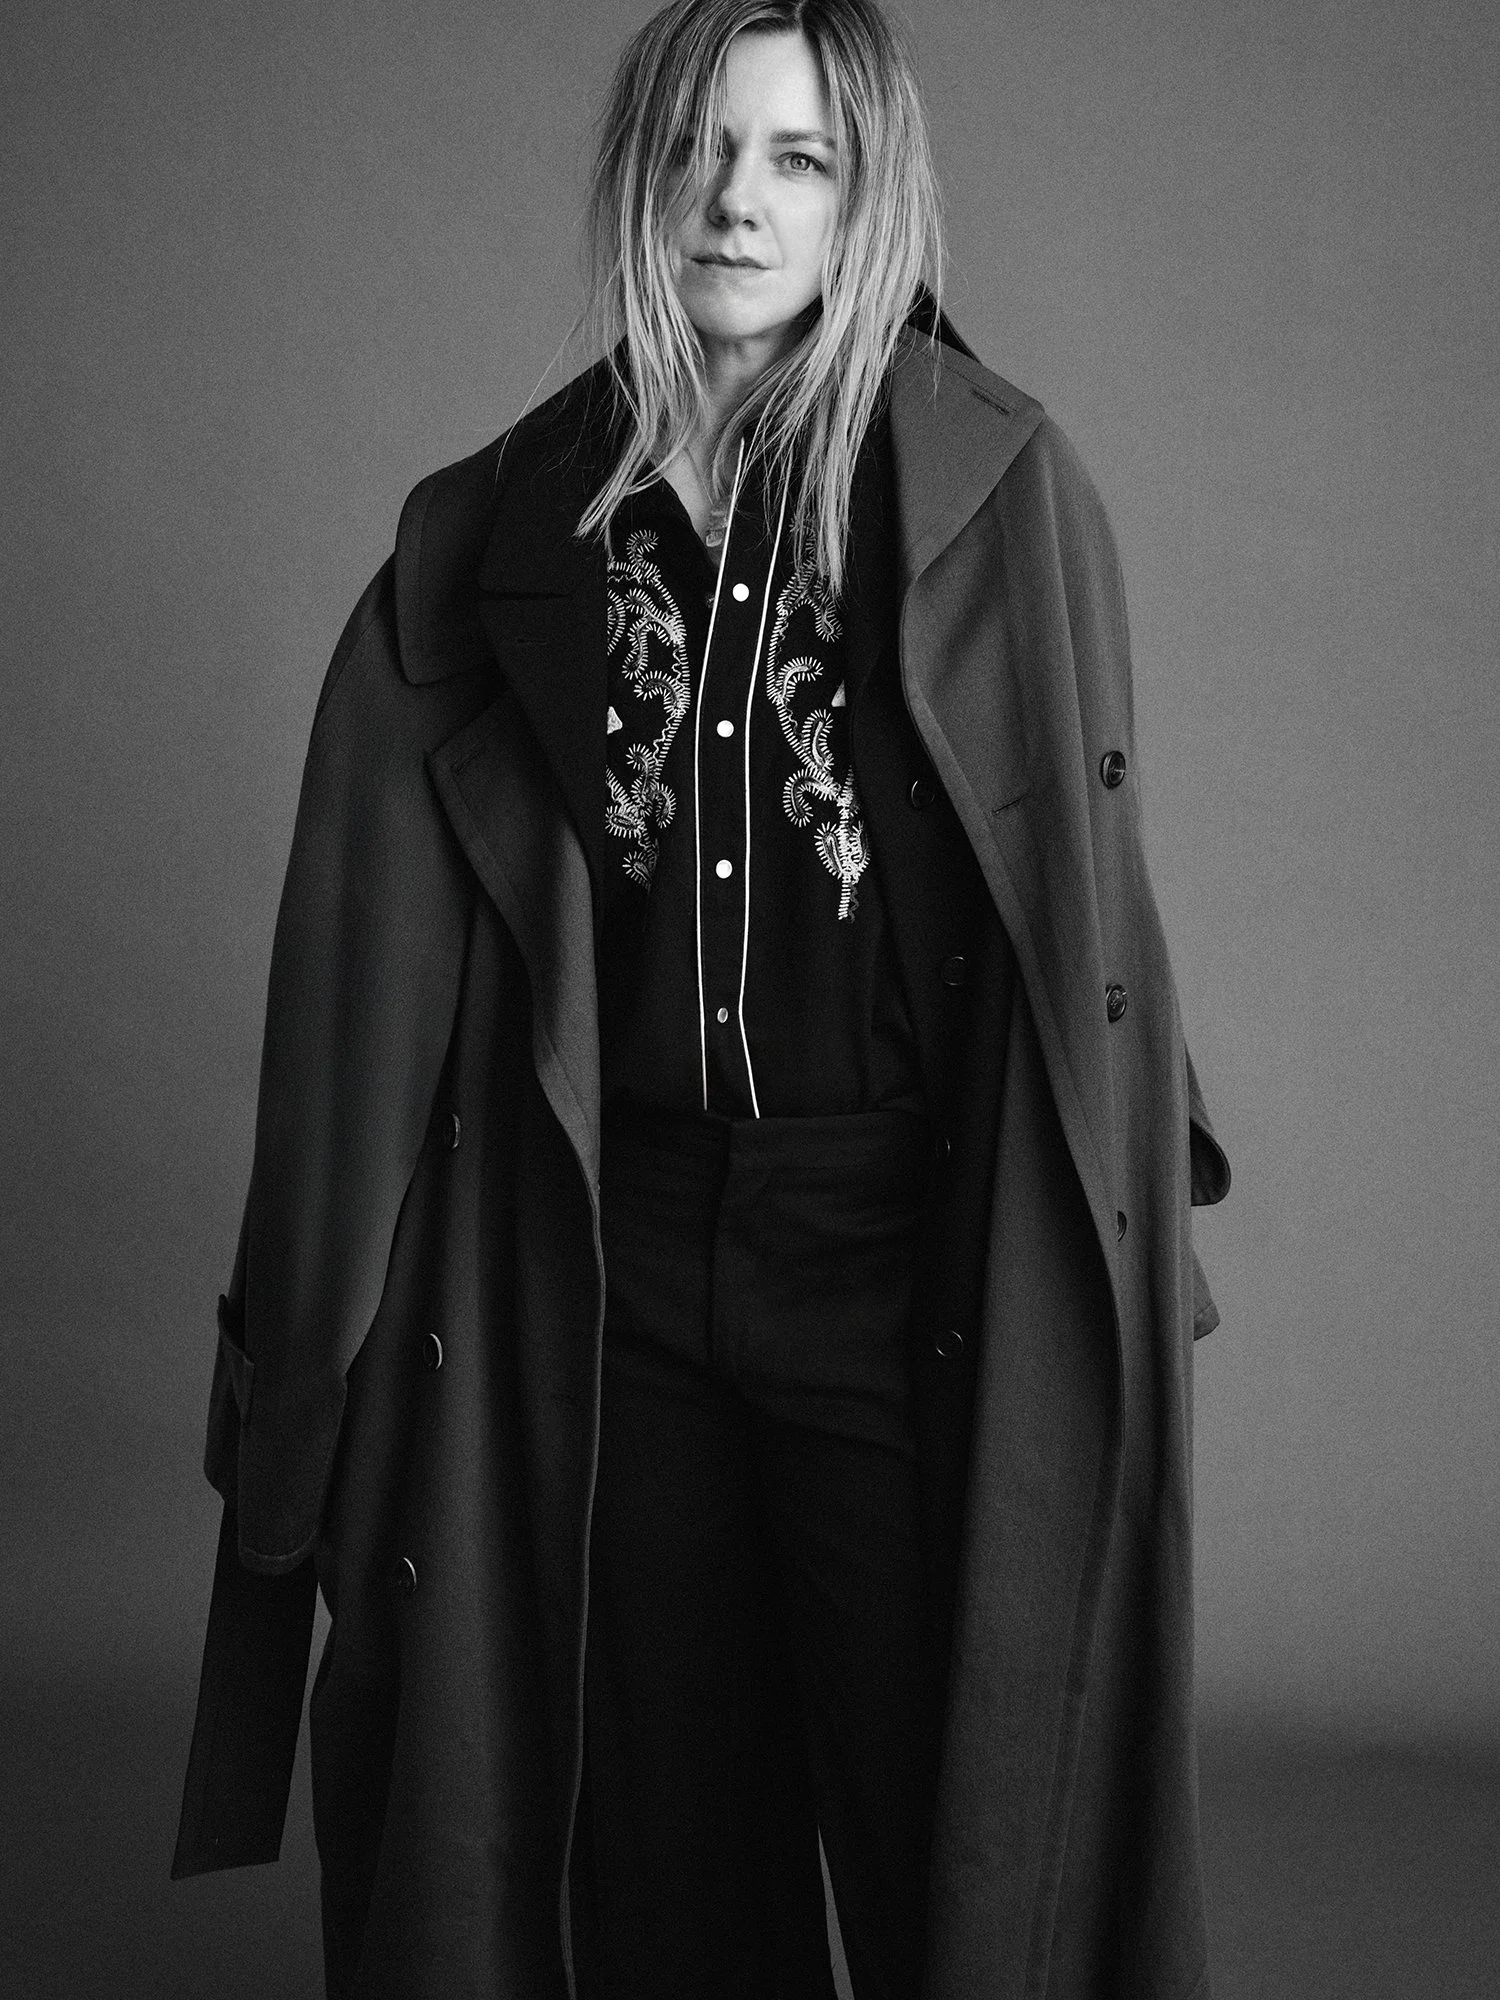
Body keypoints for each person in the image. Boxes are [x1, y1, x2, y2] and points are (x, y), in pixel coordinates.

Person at [172, 2, 1231, 1996]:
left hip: (891, 1267)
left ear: (870, 194)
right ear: (645, 180)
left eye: (798, 157)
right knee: (652, 1839)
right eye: (699, 151)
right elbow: (374, 976)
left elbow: (1088, 916)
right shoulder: (521, 522)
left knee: (957, 1816)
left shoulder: (1001, 498)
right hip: (615, 1264)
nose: (739, 199)